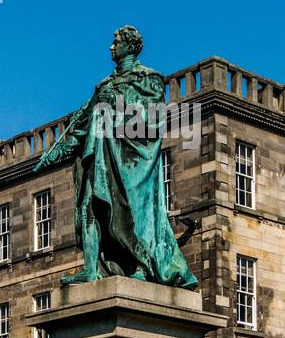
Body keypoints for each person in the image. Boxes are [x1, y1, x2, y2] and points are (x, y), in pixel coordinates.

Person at [35, 25, 197, 288]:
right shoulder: (104, 85)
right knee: (90, 208)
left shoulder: (149, 79)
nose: (111, 47)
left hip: (132, 160)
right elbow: (84, 125)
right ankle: (90, 269)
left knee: (135, 213)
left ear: (130, 46)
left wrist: (117, 104)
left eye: (116, 42)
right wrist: (58, 153)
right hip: (99, 158)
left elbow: (152, 123)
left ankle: (142, 267)